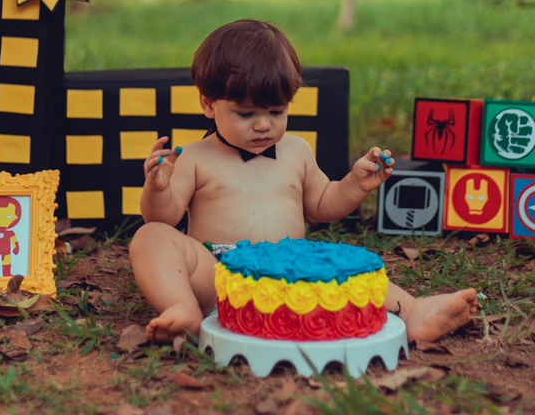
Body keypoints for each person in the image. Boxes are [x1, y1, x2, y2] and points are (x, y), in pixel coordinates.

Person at [129, 19, 479, 343]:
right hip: (218, 274)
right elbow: (163, 219)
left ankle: (414, 312)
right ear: (208, 104)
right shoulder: (195, 156)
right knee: (151, 237)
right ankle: (182, 307)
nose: (263, 125)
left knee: (343, 263)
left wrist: (354, 185)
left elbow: (323, 206)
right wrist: (157, 189)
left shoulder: (296, 150)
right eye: (246, 113)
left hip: (290, 270)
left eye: (276, 112)